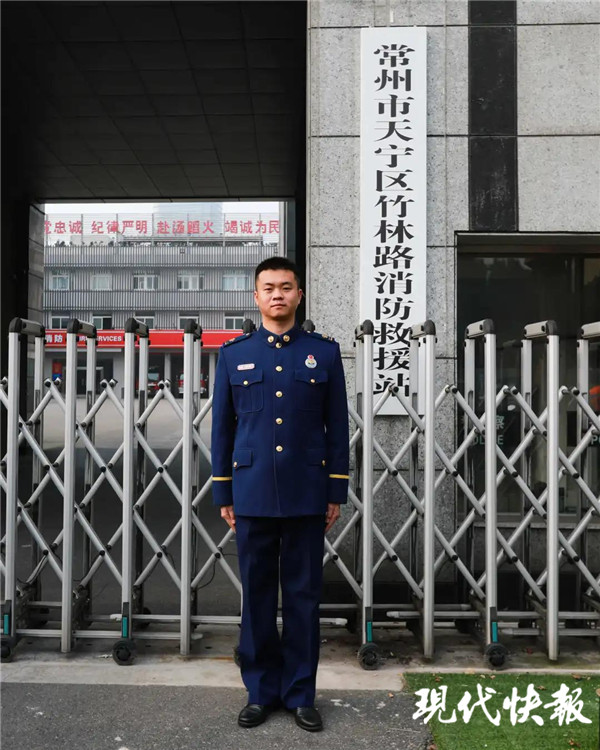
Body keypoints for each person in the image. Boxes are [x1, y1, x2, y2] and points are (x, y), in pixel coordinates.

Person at [211, 256, 349, 732]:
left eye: (286, 287)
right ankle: (260, 692)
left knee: (303, 597)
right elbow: (223, 430)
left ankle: (300, 694)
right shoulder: (234, 354)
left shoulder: (323, 354)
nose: (277, 295)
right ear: (256, 296)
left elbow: (337, 428)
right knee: (257, 597)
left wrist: (335, 490)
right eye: (268, 288)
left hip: (307, 492)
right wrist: (223, 492)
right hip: (250, 494)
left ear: (299, 294)